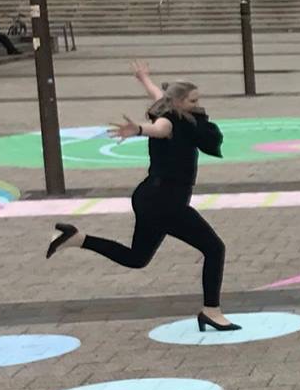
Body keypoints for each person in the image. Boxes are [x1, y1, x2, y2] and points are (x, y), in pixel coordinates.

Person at [45, 59, 240, 332]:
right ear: (180, 102)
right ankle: (211, 310)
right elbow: (159, 129)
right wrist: (137, 129)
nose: (198, 104)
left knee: (137, 258)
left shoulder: (175, 110)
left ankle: (75, 238)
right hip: (165, 201)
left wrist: (144, 78)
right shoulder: (169, 121)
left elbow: (160, 96)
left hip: (151, 196)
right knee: (214, 248)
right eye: (193, 100)